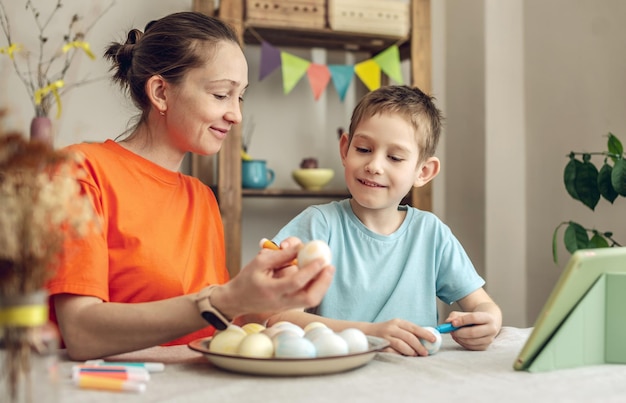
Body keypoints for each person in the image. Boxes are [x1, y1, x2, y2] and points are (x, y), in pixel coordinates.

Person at [46, 12, 334, 361]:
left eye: (239, 97)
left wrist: (268, 293)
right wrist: (229, 298)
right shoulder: (80, 171)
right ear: (161, 92)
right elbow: (81, 332)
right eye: (221, 94)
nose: (236, 114)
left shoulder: (201, 198)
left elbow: (219, 323)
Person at [269, 85, 502, 356]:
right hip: (337, 378)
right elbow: (279, 318)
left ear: (424, 171)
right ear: (345, 150)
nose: (374, 166)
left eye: (394, 157)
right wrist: (373, 334)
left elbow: (483, 306)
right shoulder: (317, 224)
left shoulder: (431, 233)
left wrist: (489, 323)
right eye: (364, 149)